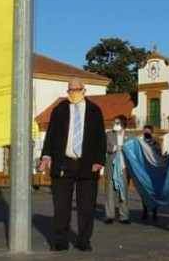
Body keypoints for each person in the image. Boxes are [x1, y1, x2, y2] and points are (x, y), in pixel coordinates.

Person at [39, 78, 107, 252]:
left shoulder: (95, 110)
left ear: (84, 90)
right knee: (61, 206)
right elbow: (51, 135)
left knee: (87, 206)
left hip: (88, 164)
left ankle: (84, 240)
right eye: (71, 90)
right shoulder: (59, 110)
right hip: (63, 163)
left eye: (77, 89)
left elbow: (101, 137)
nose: (74, 93)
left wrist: (100, 160)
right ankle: (60, 241)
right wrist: (46, 155)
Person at [104, 115, 130, 224]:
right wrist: (115, 148)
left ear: (123, 124)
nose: (114, 125)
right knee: (109, 192)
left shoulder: (130, 136)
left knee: (123, 192)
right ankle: (109, 215)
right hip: (111, 166)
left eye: (117, 123)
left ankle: (124, 216)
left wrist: (124, 148)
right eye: (114, 122)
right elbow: (105, 147)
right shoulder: (109, 134)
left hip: (124, 168)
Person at [139, 124, 161, 222]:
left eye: (148, 131)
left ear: (151, 132)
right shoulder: (140, 142)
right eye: (145, 131)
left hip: (153, 169)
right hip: (143, 169)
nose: (146, 133)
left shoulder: (156, 143)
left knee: (154, 191)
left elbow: (159, 154)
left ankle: (155, 211)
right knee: (144, 191)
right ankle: (145, 211)